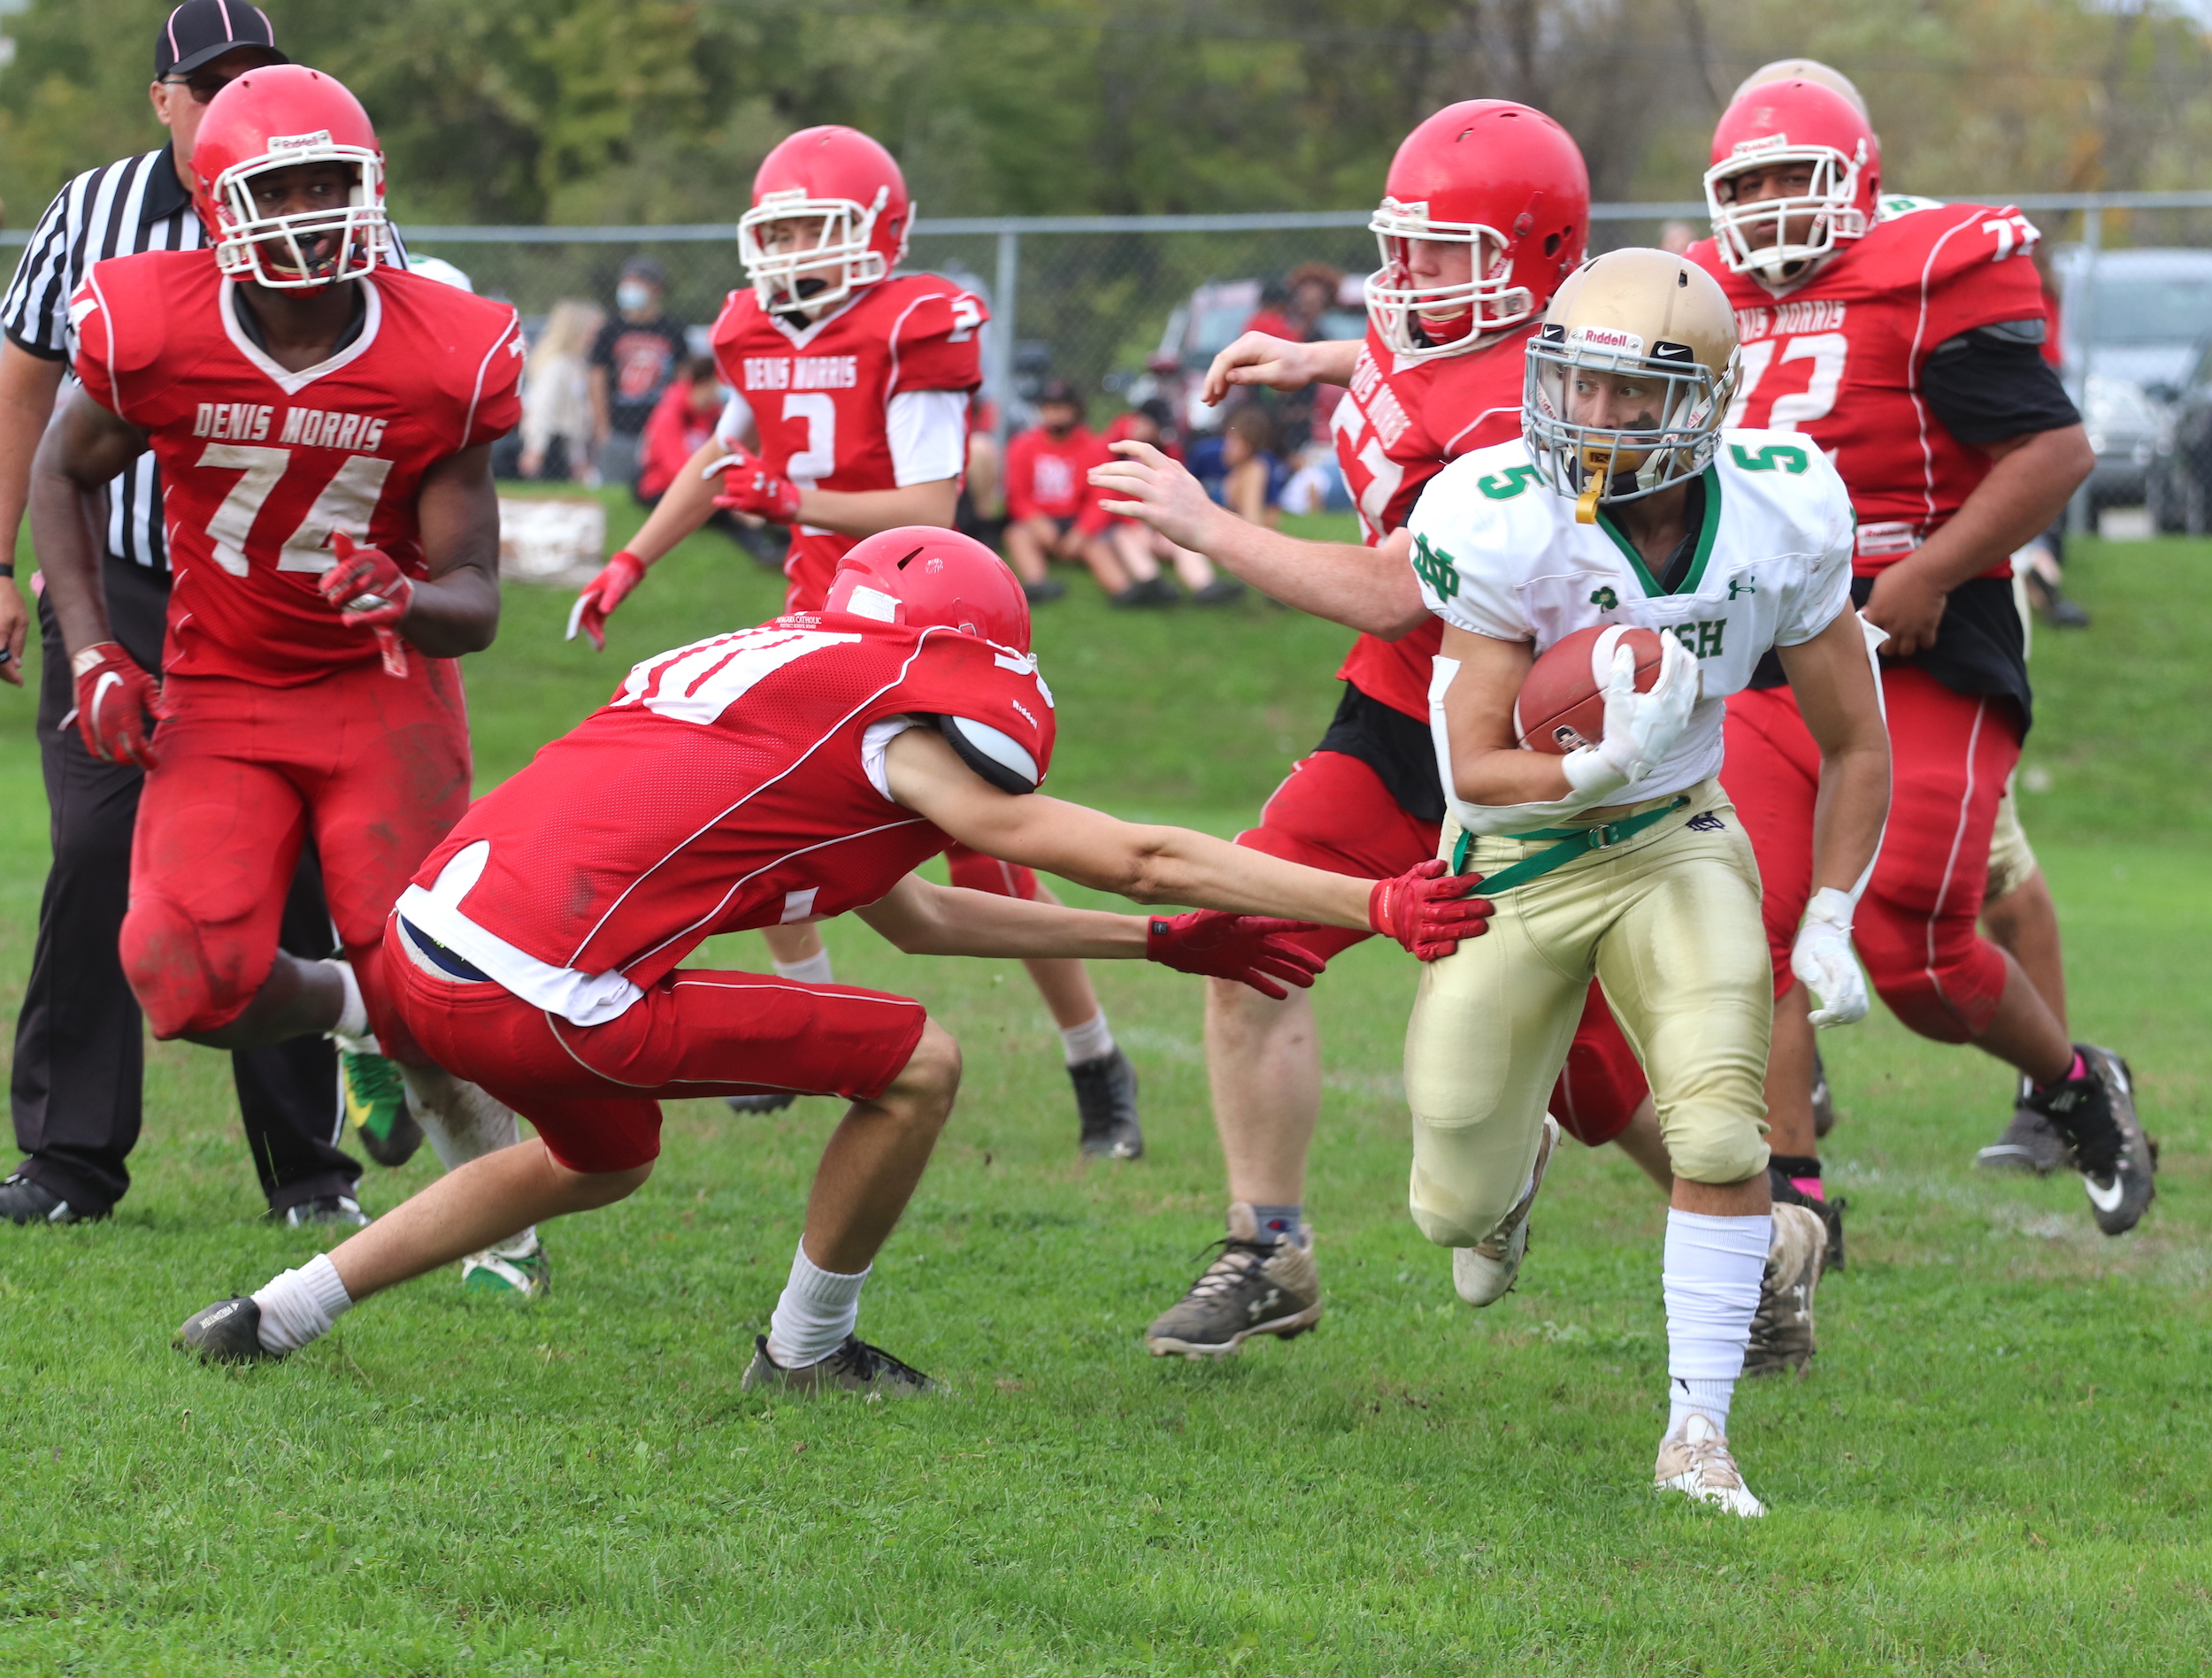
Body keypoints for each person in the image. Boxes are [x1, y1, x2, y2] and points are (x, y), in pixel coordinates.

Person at [172, 528, 1494, 1378]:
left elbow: (923, 915)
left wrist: (1156, 945)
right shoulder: (900, 713)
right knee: (919, 1063)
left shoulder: (781, 688)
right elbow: (1126, 846)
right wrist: (1360, 906)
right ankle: (810, 1352)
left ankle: (274, 1313)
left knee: (603, 1159)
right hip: (549, 985)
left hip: (430, 946)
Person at [1096, 101, 1694, 1359]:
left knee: (1582, 1068)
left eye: (1443, 253)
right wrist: (1311, 358)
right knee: (1241, 939)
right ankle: (1268, 1248)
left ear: (1534, 262)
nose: (1406, 275)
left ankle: (1742, 1232)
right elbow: (1406, 361)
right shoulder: (1443, 326)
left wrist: (1210, 528)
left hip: (1518, 740)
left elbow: (1395, 584)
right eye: (1404, 244)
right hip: (1394, 711)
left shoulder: (1528, 410)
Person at [27, 65, 551, 1294]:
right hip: (222, 688)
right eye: (283, 187)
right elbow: (63, 472)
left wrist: (406, 594)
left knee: (440, 987)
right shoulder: (148, 321)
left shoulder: (445, 348)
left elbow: (475, 599)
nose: (313, 213)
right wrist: (99, 648)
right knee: (181, 977)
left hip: (382, 689)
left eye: (334, 185)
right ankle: (353, 1014)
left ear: (371, 193)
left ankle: (504, 1230)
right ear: (215, 203)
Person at [1406, 248, 1891, 1514]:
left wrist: (1832, 911)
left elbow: (1856, 740)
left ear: (1709, 402)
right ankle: (1509, 1182)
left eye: (1634, 396)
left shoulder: (1783, 509)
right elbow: (1469, 769)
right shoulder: (1501, 515)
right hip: (1518, 849)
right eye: (1579, 385)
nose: (1598, 420)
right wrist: (1589, 764)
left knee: (1723, 1127)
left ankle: (1697, 1433)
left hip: (1678, 832)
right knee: (1446, 1209)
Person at [563, 126, 1147, 1163]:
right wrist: (631, 561)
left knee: (985, 853)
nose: (789, 252)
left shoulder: (910, 324)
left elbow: (929, 501)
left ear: (877, 235)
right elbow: (717, 455)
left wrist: (792, 496)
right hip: (819, 606)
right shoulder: (755, 326)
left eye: (811, 230)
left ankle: (1096, 1058)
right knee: (759, 799)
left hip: (925, 615)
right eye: (775, 231)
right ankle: (805, 1030)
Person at [1686, 75, 2153, 1235]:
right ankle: (1792, 1207)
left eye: (1799, 175)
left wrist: (1934, 569)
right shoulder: (1703, 293)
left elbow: (2055, 451)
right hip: (1779, 636)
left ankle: (2078, 1086)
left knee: (1914, 950)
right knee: (1753, 920)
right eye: (1748, 183)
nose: (1773, 204)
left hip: (1928, 633)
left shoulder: (1935, 266)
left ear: (1861, 179)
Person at [0, 0, 418, 1229]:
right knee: (88, 856)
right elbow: (24, 389)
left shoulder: (335, 200)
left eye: (259, 75)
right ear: (163, 99)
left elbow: (404, 399)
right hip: (118, 581)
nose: (236, 99)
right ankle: (69, 1158)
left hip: (276, 606)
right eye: (210, 81)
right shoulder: (94, 209)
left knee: (280, 876)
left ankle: (308, 1170)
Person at [1002, 379, 1152, 604]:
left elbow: (1101, 495)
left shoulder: (1094, 446)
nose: (1056, 415)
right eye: (1050, 408)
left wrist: (1082, 531)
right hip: (1040, 520)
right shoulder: (1022, 445)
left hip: (1077, 519)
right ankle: (1036, 584)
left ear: (1076, 410)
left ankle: (1122, 591)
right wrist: (1035, 521)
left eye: (1062, 408)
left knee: (1098, 546)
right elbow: (1017, 495)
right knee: (1017, 536)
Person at [1099, 402, 1239, 604]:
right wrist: (1134, 525)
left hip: (1158, 520)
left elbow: (1175, 492)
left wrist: (1162, 527)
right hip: (1127, 521)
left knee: (1183, 539)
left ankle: (1205, 585)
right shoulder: (1115, 444)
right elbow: (1106, 492)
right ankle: (1151, 583)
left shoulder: (1168, 449)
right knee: (1124, 537)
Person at [587, 256, 687, 492]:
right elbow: (596, 379)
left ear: (657, 288)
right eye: (627, 282)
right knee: (615, 491)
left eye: (638, 282)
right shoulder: (610, 330)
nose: (630, 288)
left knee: (661, 490)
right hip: (620, 428)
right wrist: (602, 428)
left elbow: (683, 381)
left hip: (660, 427)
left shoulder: (673, 330)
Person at [517, 299, 603, 484]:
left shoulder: (576, 363)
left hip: (566, 447)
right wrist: (535, 450)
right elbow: (542, 408)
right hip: (551, 446)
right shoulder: (557, 365)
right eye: (593, 330)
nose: (596, 336)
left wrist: (578, 458)